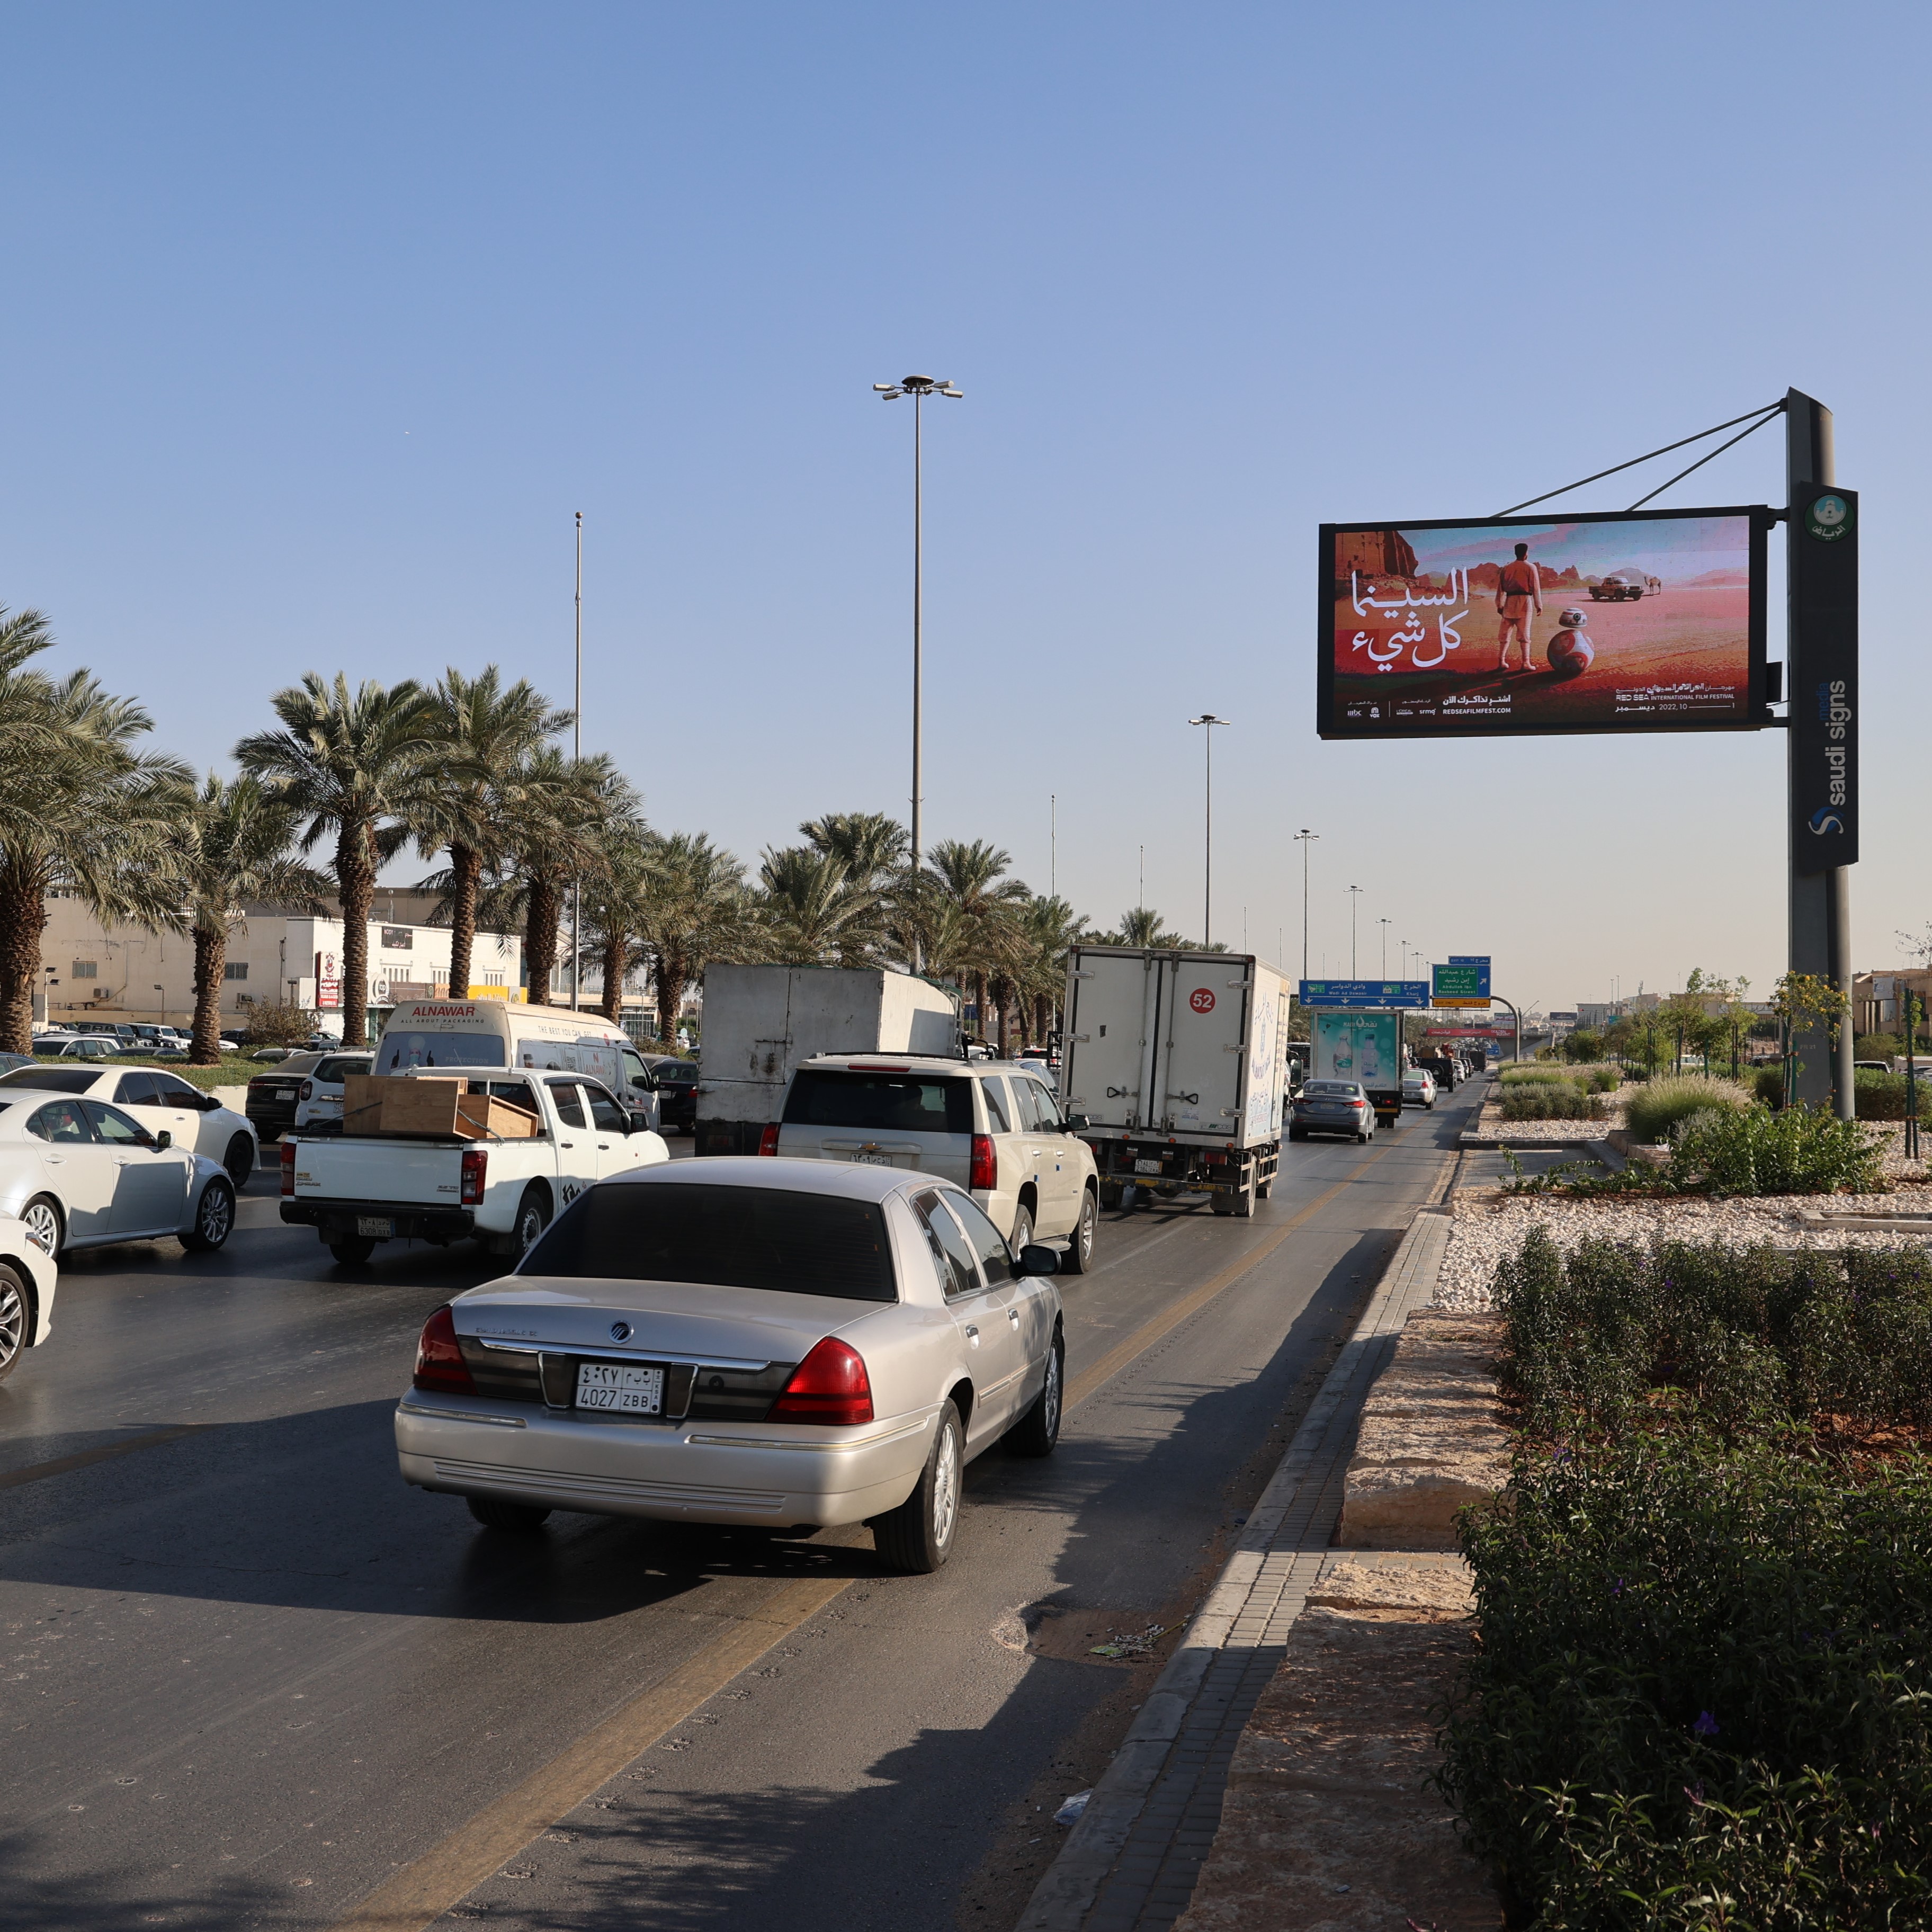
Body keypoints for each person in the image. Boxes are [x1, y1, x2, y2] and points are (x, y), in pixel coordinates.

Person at [1494, 541, 1542, 672]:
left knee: (1504, 634)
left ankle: (1502, 662)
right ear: (1526, 554)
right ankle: (1525, 663)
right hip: (1525, 602)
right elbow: (1536, 588)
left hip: (1509, 602)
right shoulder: (1531, 567)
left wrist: (1500, 604)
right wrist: (1539, 605)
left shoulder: (1506, 568)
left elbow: (1501, 589)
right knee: (1524, 635)